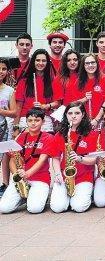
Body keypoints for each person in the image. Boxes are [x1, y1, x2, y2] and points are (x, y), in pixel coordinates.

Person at [0, 108, 52, 214]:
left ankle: (36, 197)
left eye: (37, 120)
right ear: (26, 121)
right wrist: (17, 176)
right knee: (4, 208)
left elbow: (42, 160)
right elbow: (12, 160)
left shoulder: (48, 137)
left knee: (34, 209)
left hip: (40, 179)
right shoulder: (20, 137)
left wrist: (26, 174)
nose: (33, 123)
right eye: (30, 120)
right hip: (21, 179)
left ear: (43, 121)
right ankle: (24, 197)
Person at [49, 102, 97, 213]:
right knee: (57, 208)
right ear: (66, 115)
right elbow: (55, 158)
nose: (73, 116)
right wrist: (57, 174)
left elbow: (94, 160)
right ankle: (69, 198)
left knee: (79, 207)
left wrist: (80, 158)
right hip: (64, 175)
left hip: (84, 175)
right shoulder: (60, 134)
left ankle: (84, 195)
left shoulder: (91, 134)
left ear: (83, 114)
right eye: (70, 113)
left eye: (77, 113)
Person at [15, 49, 62, 133]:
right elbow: (18, 106)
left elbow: (57, 103)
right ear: (33, 61)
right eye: (38, 60)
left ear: (47, 63)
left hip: (45, 118)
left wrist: (45, 106)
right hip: (26, 119)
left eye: (44, 60)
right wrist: (16, 127)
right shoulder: (23, 81)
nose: (40, 63)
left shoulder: (54, 81)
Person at [63, 54, 105, 128]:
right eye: (87, 63)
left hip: (101, 120)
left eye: (93, 62)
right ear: (83, 66)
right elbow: (74, 104)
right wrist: (85, 99)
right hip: (82, 120)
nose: (90, 65)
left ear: (97, 64)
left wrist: (96, 120)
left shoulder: (104, 78)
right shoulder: (78, 81)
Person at [0, 58, 18, 197]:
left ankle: (5, 185)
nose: (1, 72)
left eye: (4, 69)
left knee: (4, 156)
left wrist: (1, 111)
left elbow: (13, 113)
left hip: (3, 128)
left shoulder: (9, 90)